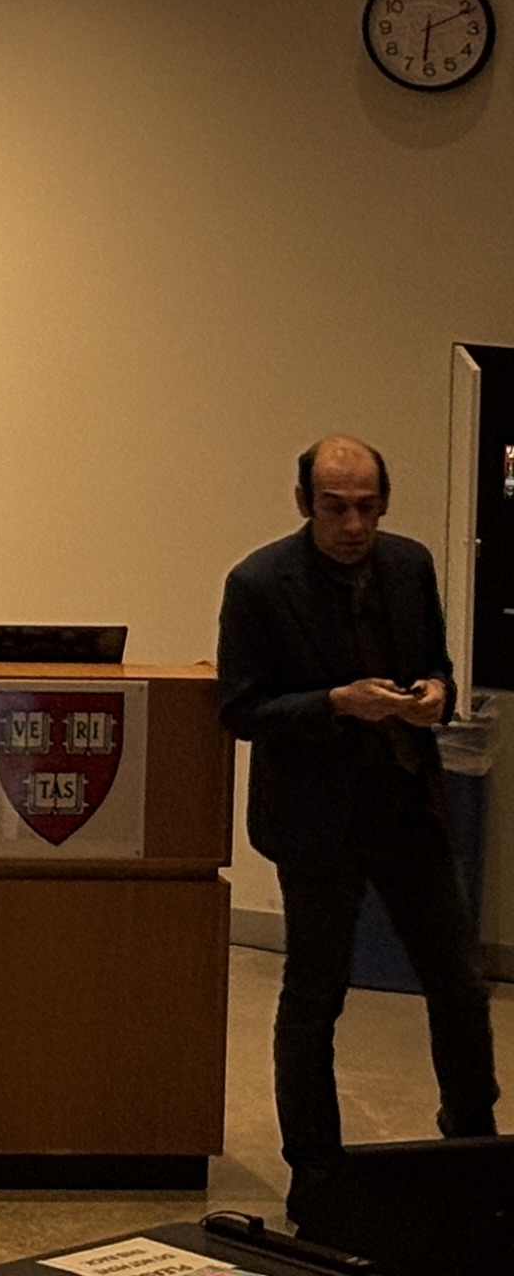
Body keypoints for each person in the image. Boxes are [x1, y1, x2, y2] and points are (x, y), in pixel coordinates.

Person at [217, 433, 499, 1167]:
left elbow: (436, 662)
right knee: (316, 997)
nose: (353, 525)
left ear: (385, 504)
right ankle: (315, 1170)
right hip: (316, 821)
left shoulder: (409, 565)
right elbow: (240, 710)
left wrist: (437, 693)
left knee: (460, 986)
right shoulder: (258, 584)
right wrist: (337, 703)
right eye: (336, 507)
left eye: (368, 508)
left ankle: (474, 1145)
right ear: (304, 502)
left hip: (409, 806)